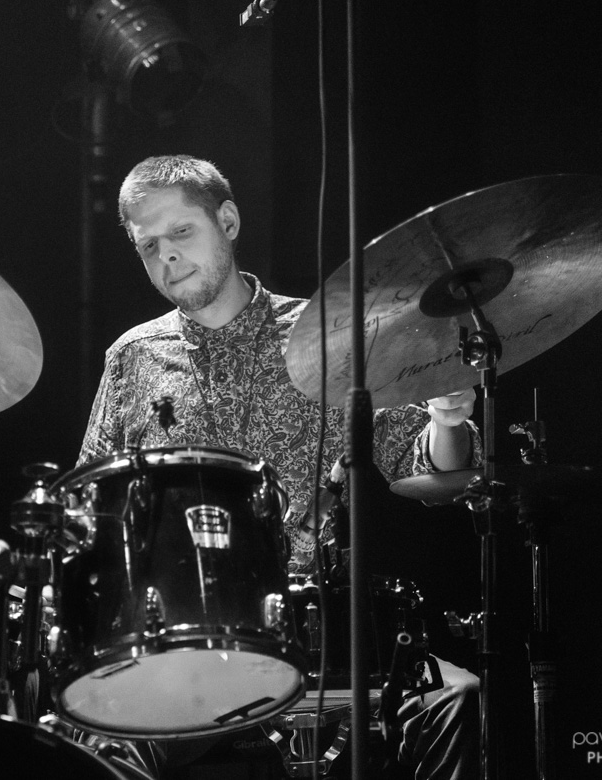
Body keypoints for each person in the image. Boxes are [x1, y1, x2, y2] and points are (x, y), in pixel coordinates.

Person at [78, 155, 481, 779]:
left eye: (181, 232)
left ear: (228, 221)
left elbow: (427, 466)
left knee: (454, 698)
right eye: (147, 245)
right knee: (97, 733)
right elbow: (90, 513)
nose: (167, 256)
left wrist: (448, 420)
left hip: (313, 637)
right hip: (178, 647)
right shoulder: (132, 358)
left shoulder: (325, 335)